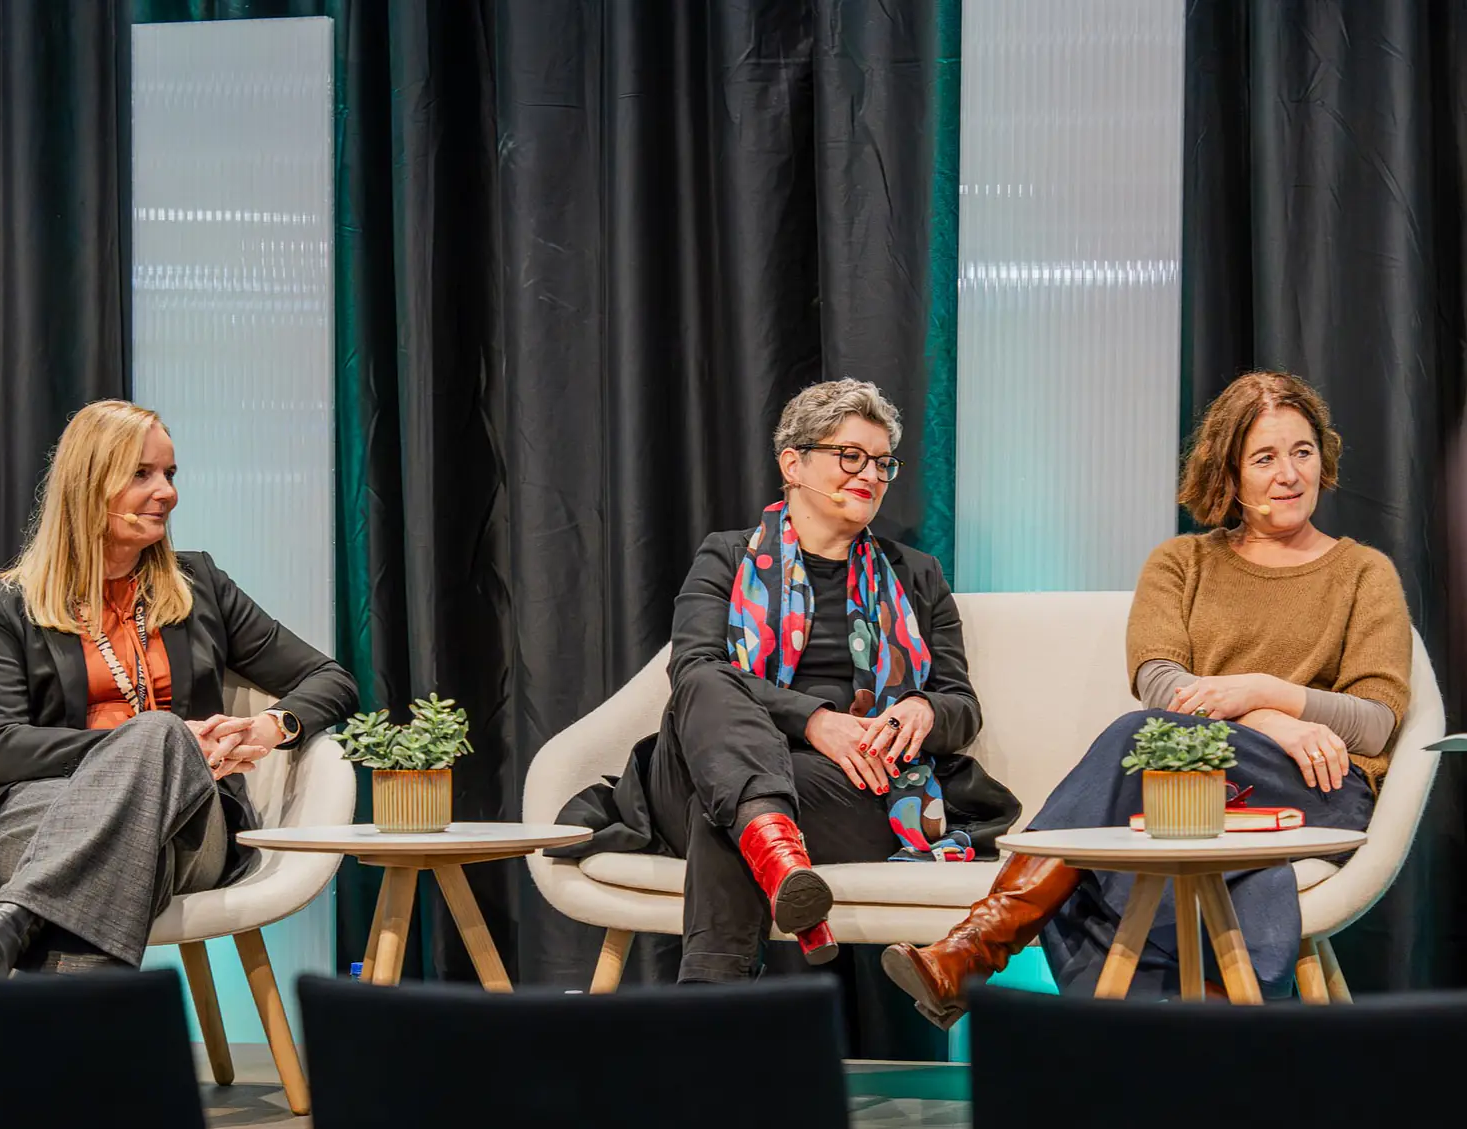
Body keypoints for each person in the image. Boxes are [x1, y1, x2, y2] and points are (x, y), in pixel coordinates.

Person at [883, 371, 1412, 1023]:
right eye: (1264, 458)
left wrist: (1264, 690)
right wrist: (1268, 717)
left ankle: (973, 952)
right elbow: (1162, 684)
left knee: (1132, 744)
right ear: (1229, 472)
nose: (1289, 475)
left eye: (1302, 452)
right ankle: (1177, 1030)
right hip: (1193, 787)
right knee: (1116, 806)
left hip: (1315, 786)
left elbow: (1376, 722)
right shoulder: (1181, 563)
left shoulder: (1363, 573)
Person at [560, 379, 1019, 985]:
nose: (871, 474)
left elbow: (962, 705)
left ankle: (727, 967)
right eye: (850, 456)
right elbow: (692, 670)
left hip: (851, 785)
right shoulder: (727, 557)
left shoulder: (917, 575)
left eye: (882, 462)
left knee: (726, 809)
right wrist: (816, 721)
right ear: (793, 464)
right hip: (705, 758)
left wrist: (925, 709)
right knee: (707, 684)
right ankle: (774, 859)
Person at [0, 399, 358, 976]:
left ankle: (12, 920)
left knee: (157, 739)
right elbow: (1, 746)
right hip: (39, 811)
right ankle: (96, 1011)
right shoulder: (8, 604)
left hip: (190, 822)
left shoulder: (200, 585)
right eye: (141, 474)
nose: (167, 493)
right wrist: (147, 744)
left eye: (169, 473)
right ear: (87, 484)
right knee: (152, 751)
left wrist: (268, 727)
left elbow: (330, 678)